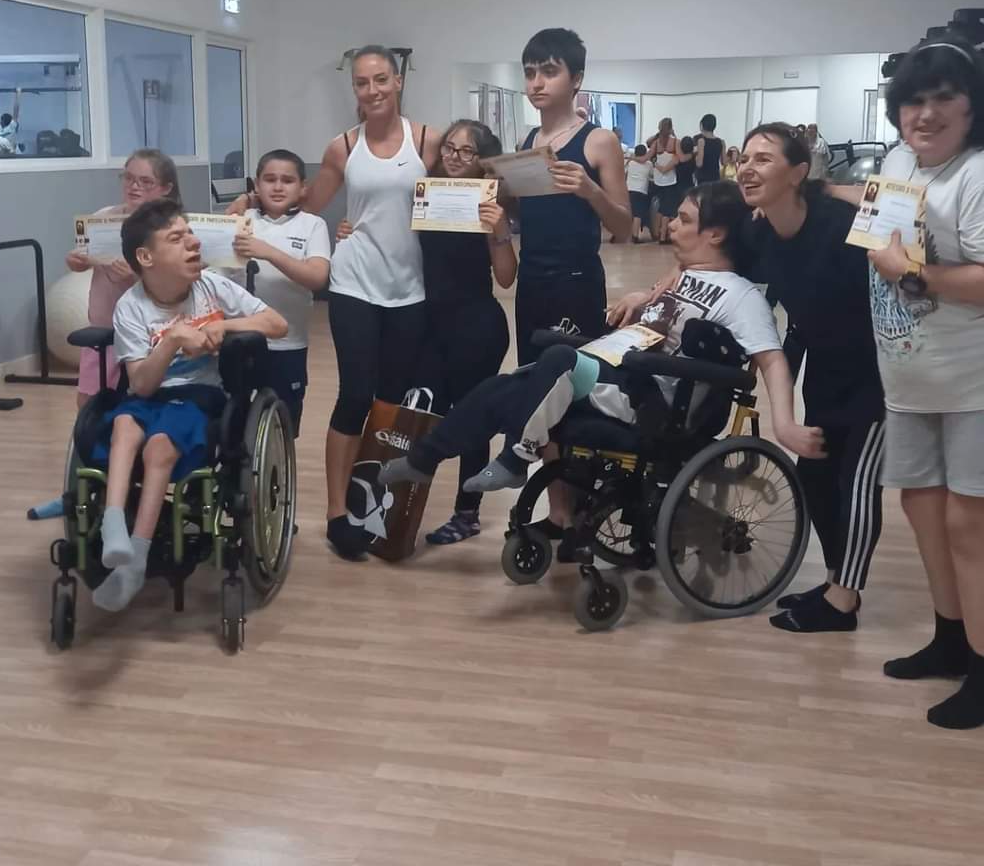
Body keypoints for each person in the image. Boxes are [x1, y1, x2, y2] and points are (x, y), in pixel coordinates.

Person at [378, 181, 824, 559]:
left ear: (716, 234)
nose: (670, 225)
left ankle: (516, 455)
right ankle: (423, 459)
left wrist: (785, 424)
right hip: (620, 373)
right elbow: (665, 307)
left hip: (651, 401)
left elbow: (771, 358)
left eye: (684, 219)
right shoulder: (683, 277)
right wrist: (642, 298)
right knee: (506, 385)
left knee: (557, 360)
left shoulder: (742, 297)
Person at [226, 45, 441, 560]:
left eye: (381, 79)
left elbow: (463, 187)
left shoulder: (426, 141)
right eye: (362, 82)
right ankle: (337, 513)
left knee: (391, 402)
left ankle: (375, 499)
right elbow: (307, 201)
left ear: (398, 81)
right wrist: (248, 201)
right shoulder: (344, 146)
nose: (372, 90)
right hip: (353, 284)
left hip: (410, 289)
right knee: (355, 396)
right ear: (354, 89)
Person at [861, 37, 984, 729]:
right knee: (923, 506)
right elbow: (878, 234)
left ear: (972, 107)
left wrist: (911, 273)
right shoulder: (897, 161)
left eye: (944, 99)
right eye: (914, 100)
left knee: (971, 525)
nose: (926, 113)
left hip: (974, 382)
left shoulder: (978, 173)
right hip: (909, 371)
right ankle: (950, 638)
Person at [91, 198, 287, 612]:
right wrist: (172, 341)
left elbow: (277, 323)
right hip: (151, 392)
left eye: (191, 235)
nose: (194, 243)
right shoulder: (131, 306)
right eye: (177, 238)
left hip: (201, 396)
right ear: (146, 258)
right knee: (124, 425)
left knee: (159, 445)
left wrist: (223, 325)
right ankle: (113, 526)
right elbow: (142, 385)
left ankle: (136, 561)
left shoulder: (211, 287)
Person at [735, 122, 886, 633]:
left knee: (856, 483)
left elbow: (905, 208)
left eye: (763, 159)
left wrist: (831, 188)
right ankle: (835, 580)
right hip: (825, 368)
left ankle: (844, 601)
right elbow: (714, 256)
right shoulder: (758, 233)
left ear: (798, 172)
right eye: (744, 158)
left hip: (879, 373)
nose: (747, 168)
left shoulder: (842, 223)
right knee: (817, 478)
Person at [417, 120, 517, 545]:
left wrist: (499, 231)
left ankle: (467, 513)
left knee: (471, 418)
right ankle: (399, 510)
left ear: (483, 161)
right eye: (449, 148)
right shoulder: (425, 196)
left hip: (476, 327)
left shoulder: (490, 204)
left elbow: (506, 277)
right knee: (420, 414)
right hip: (428, 324)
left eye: (466, 151)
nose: (454, 157)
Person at [514, 28, 630, 365]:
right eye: (530, 73)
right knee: (530, 374)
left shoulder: (599, 141)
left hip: (575, 282)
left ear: (576, 79)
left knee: (576, 378)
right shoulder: (527, 141)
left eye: (549, 72)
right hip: (530, 279)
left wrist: (590, 190)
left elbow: (624, 228)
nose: (537, 83)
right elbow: (531, 216)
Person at [65, 148, 181, 409]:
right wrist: (75, 261)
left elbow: (177, 280)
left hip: (150, 331)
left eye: (146, 181)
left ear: (165, 188)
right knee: (89, 401)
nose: (134, 186)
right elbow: (80, 259)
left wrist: (136, 276)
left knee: (139, 400)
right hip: (104, 327)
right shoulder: (104, 217)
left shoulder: (172, 227)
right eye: (128, 178)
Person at [231, 149, 331, 436]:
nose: (277, 187)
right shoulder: (241, 219)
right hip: (239, 340)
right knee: (234, 419)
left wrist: (269, 252)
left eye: (287, 180)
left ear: (302, 188)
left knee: (282, 425)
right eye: (269, 179)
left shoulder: (313, 225)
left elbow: (317, 278)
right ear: (256, 185)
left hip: (288, 343)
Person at [650, 122, 680, 244]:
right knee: (667, 211)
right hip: (670, 181)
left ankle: (656, 233)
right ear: (671, 128)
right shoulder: (675, 143)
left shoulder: (656, 142)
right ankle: (662, 237)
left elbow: (648, 144)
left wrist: (654, 163)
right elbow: (667, 167)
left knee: (660, 209)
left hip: (658, 181)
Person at [625, 143, 653, 243]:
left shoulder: (630, 162)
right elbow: (652, 175)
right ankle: (635, 236)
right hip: (641, 190)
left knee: (629, 213)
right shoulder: (649, 164)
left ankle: (624, 234)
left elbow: (625, 173)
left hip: (629, 189)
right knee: (638, 214)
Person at [695, 113, 724, 184]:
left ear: (702, 126)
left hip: (703, 178)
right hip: (715, 177)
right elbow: (724, 162)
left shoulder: (701, 141)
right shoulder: (721, 142)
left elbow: (699, 164)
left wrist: (695, 156)